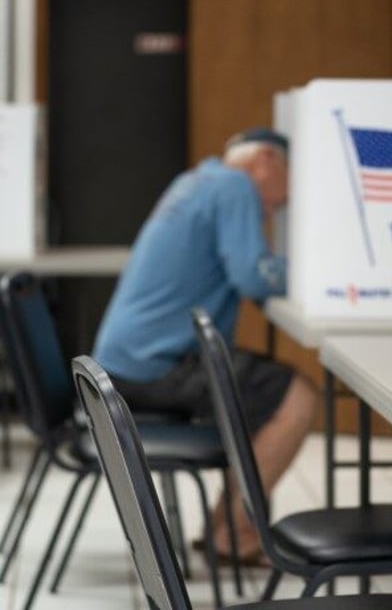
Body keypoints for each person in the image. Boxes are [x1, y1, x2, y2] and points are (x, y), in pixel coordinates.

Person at [93, 128, 319, 561]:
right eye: (286, 188)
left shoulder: (195, 181)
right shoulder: (235, 187)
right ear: (267, 161)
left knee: (259, 395)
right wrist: (319, 272)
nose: (280, 205)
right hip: (155, 363)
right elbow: (252, 276)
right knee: (297, 398)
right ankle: (235, 534)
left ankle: (226, 528)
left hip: (121, 363)